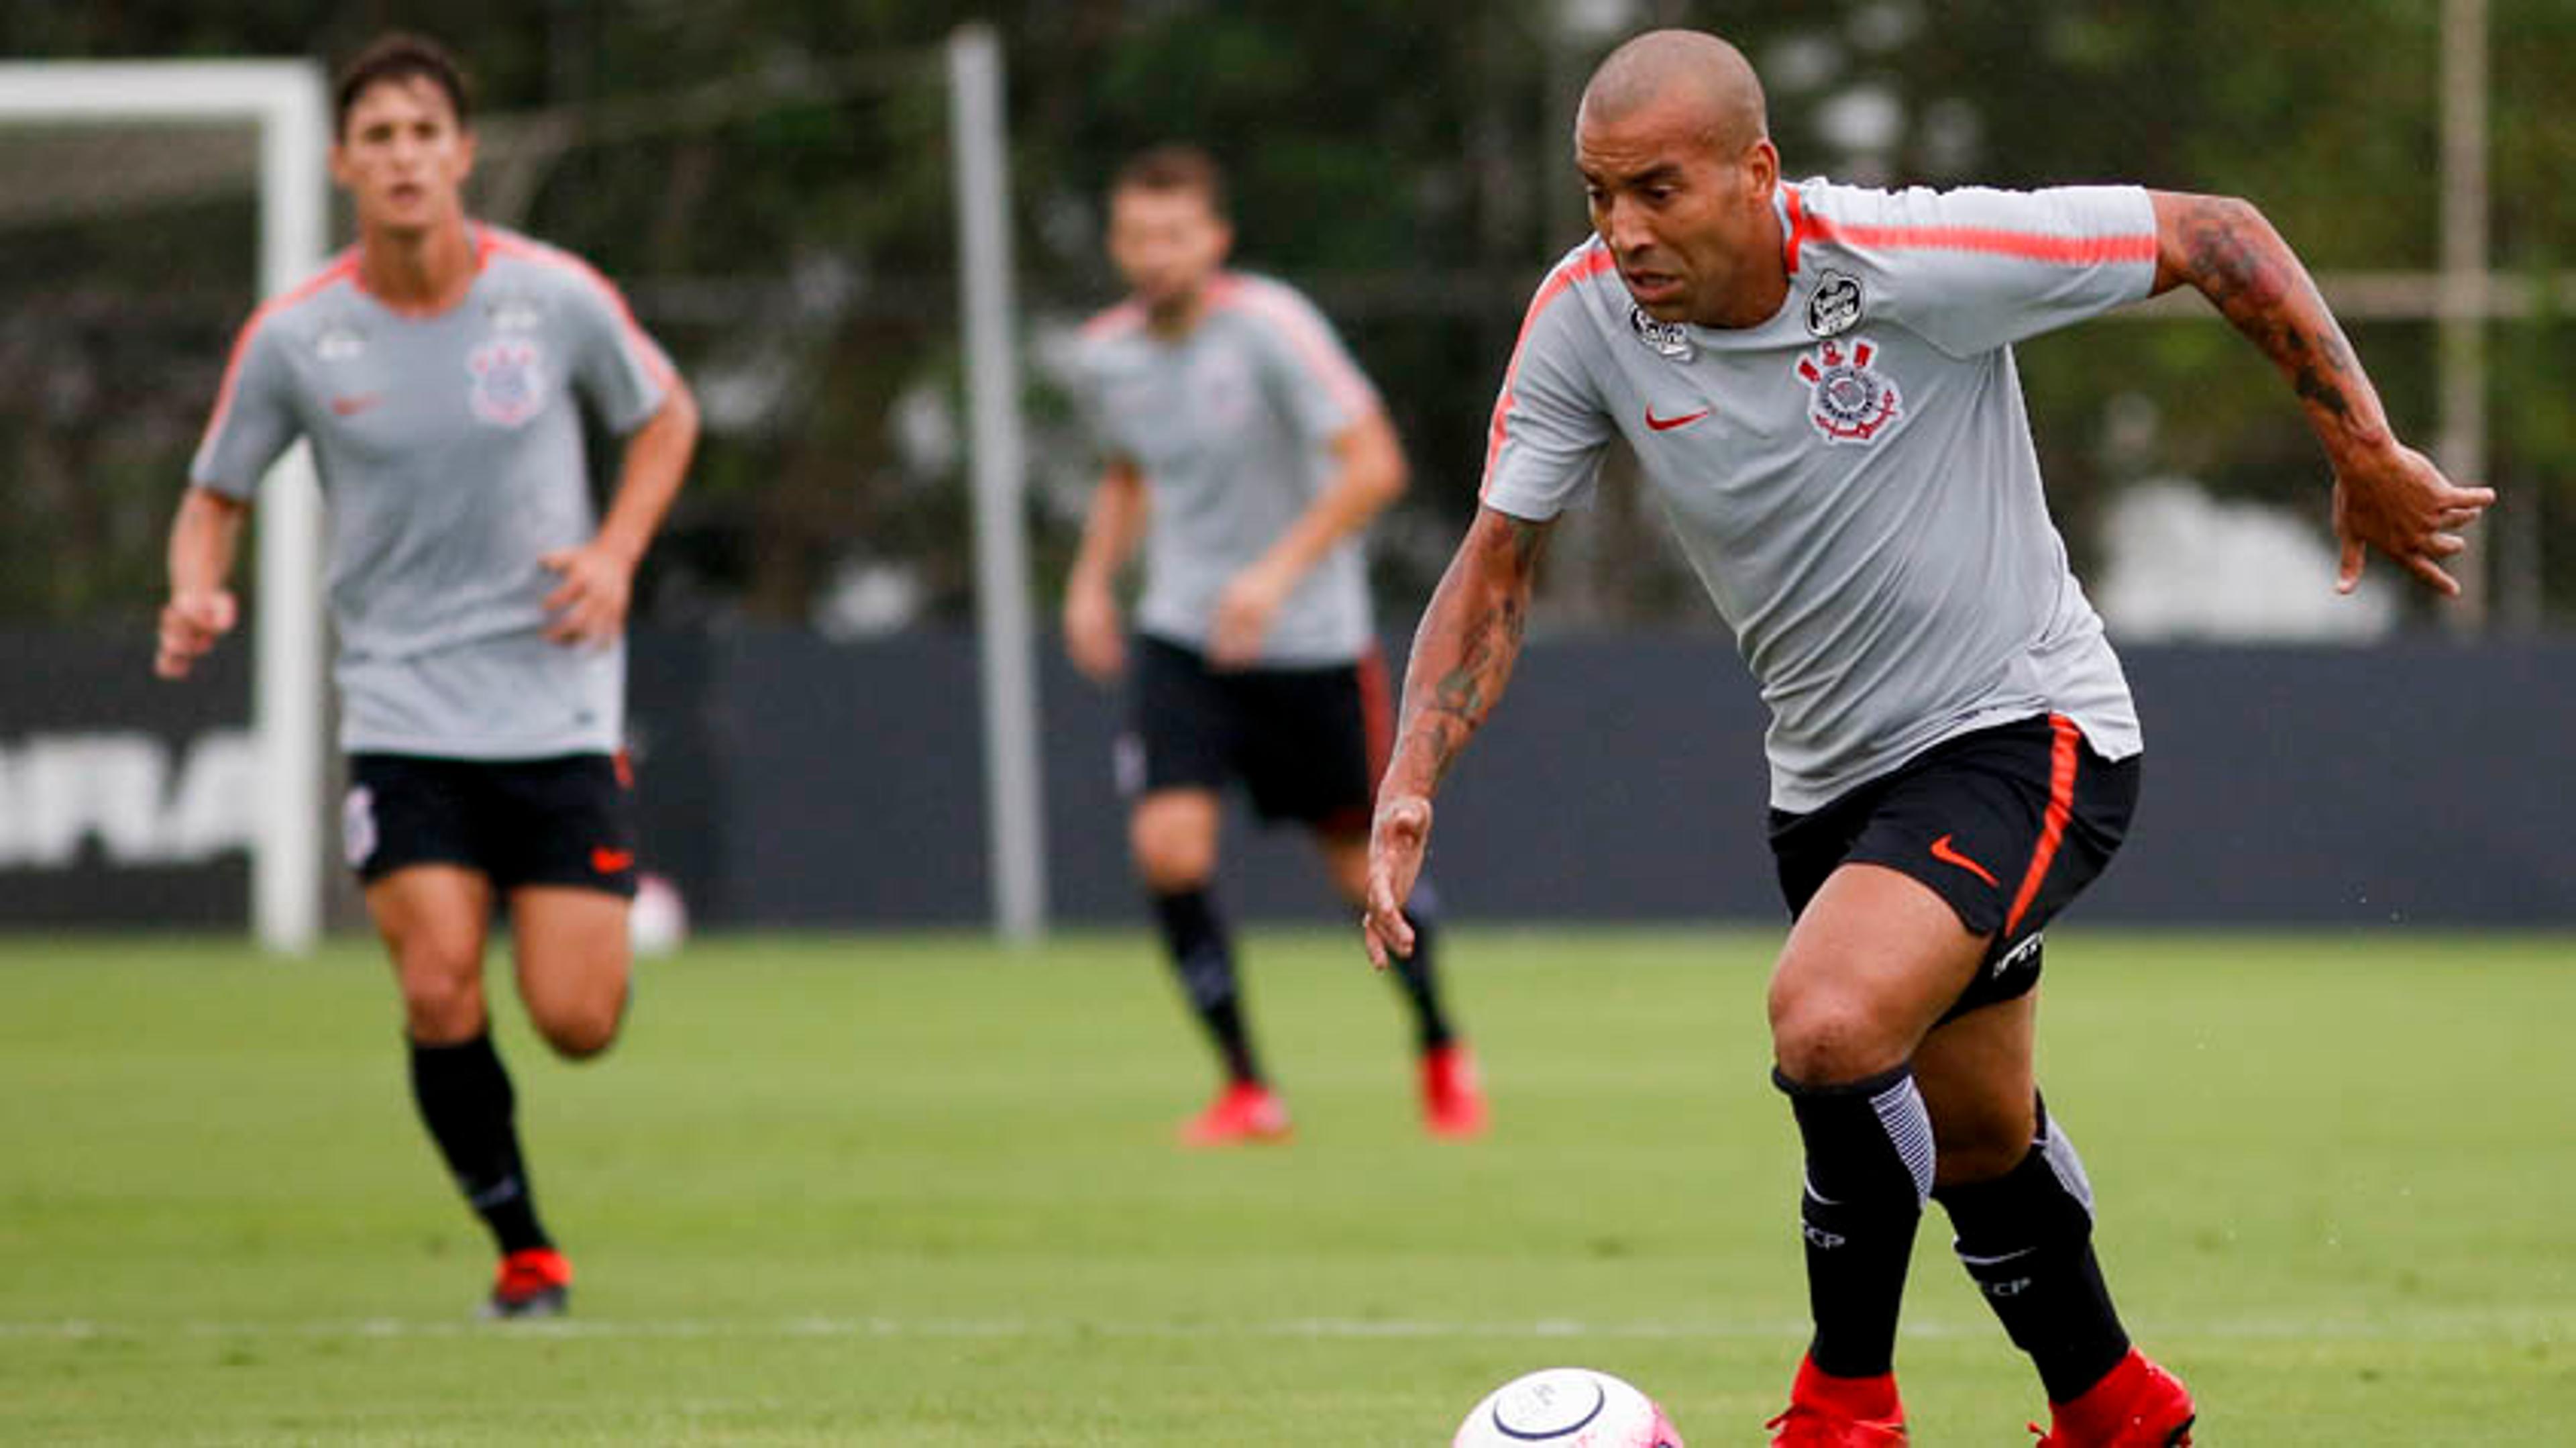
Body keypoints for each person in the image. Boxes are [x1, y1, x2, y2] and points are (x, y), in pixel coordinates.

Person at [1360, 29, 2490, 1447]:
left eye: (1657, 189)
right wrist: (1412, 770)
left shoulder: (1914, 255)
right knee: (1975, 1145)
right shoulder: (1585, 315)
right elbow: (1499, 558)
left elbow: (2219, 233)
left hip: (2028, 728)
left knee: (1829, 1021)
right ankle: (2121, 1413)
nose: (1622, 229)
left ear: (1757, 171)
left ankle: (1842, 1413)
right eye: (1598, 195)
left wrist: (2363, 445)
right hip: (1829, 782)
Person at [156, 33, 700, 1318]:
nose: (403, 157)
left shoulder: (555, 297)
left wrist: (618, 553)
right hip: (402, 707)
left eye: (423, 133)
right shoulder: (297, 337)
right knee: (438, 977)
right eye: (378, 137)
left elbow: (666, 416)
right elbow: (213, 494)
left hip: (559, 699)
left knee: (576, 1017)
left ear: (463, 153)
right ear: (344, 163)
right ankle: (525, 1251)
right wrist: (195, 585)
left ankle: (541, 1046)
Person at [1065, 144, 1485, 1146]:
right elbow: (1128, 474)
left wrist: (1274, 573)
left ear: (1215, 240)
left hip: (1308, 646)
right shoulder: (1104, 356)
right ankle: (1249, 1087)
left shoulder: (1273, 330)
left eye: (1173, 235)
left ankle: (1438, 1043)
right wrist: (1090, 584)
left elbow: (1375, 464)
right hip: (1184, 639)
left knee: (1357, 872)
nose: (1152, 255)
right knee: (1168, 850)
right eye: (1134, 237)